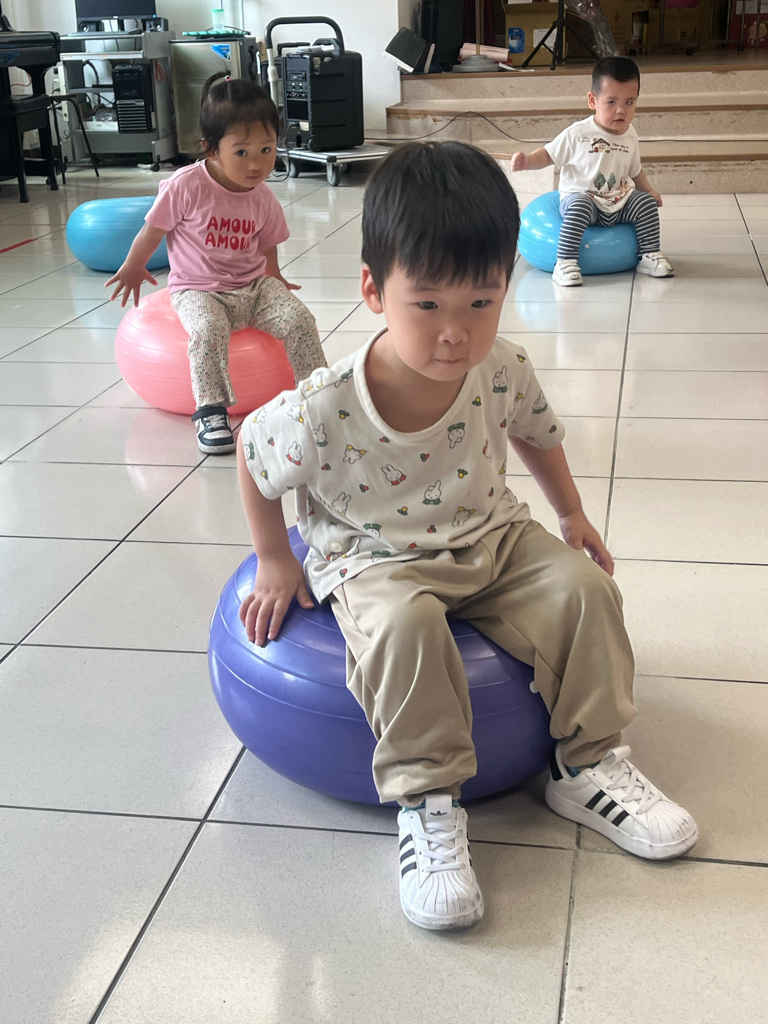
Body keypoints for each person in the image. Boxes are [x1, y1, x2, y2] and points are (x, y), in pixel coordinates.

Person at [236, 141, 698, 932]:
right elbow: (253, 455)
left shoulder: (501, 366)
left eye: (481, 303)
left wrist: (570, 514)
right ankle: (427, 802)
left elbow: (537, 432)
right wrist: (275, 557)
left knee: (587, 592)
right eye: (428, 306)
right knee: (406, 629)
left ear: (506, 285)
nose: (456, 333)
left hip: (491, 534)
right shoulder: (324, 406)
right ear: (374, 291)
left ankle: (587, 765)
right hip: (377, 556)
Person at [106, 73, 326, 454]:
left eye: (267, 149)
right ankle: (210, 411)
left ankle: (318, 397)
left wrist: (274, 278)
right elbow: (153, 231)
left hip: (253, 287)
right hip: (199, 289)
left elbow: (267, 244)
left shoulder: (263, 197)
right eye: (241, 152)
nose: (256, 164)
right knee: (207, 332)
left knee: (301, 320)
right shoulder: (186, 186)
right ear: (211, 150)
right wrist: (133, 265)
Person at [510, 56, 674, 287]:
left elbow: (635, 171)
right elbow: (548, 154)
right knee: (580, 206)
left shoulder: (630, 134)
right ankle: (565, 262)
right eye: (611, 102)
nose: (621, 110)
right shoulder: (578, 133)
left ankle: (649, 255)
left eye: (629, 102)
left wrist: (649, 191)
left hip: (617, 200)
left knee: (645, 204)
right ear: (592, 100)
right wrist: (527, 161)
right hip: (582, 198)